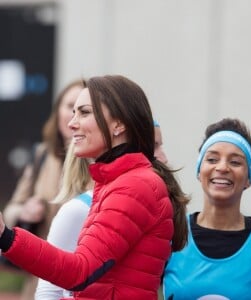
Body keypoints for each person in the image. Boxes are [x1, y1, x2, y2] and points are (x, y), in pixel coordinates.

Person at [0, 74, 190, 300]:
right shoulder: (120, 182)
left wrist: (6, 237)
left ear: (119, 124)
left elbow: (78, 272)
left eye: (84, 112)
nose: (72, 124)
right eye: (73, 112)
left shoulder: (135, 185)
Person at [163, 117, 251, 300]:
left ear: (249, 178)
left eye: (235, 162)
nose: (222, 167)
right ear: (199, 171)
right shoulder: (170, 234)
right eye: (212, 159)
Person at [35, 119, 169, 299]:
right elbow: (49, 290)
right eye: (154, 146)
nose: (164, 157)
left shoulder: (156, 202)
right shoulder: (76, 210)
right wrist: (8, 238)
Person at [1, 79, 84, 300]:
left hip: (82, 280)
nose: (74, 116)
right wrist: (24, 211)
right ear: (57, 111)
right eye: (69, 107)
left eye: (83, 110)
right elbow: (12, 209)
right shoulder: (43, 155)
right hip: (39, 278)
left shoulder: (98, 160)